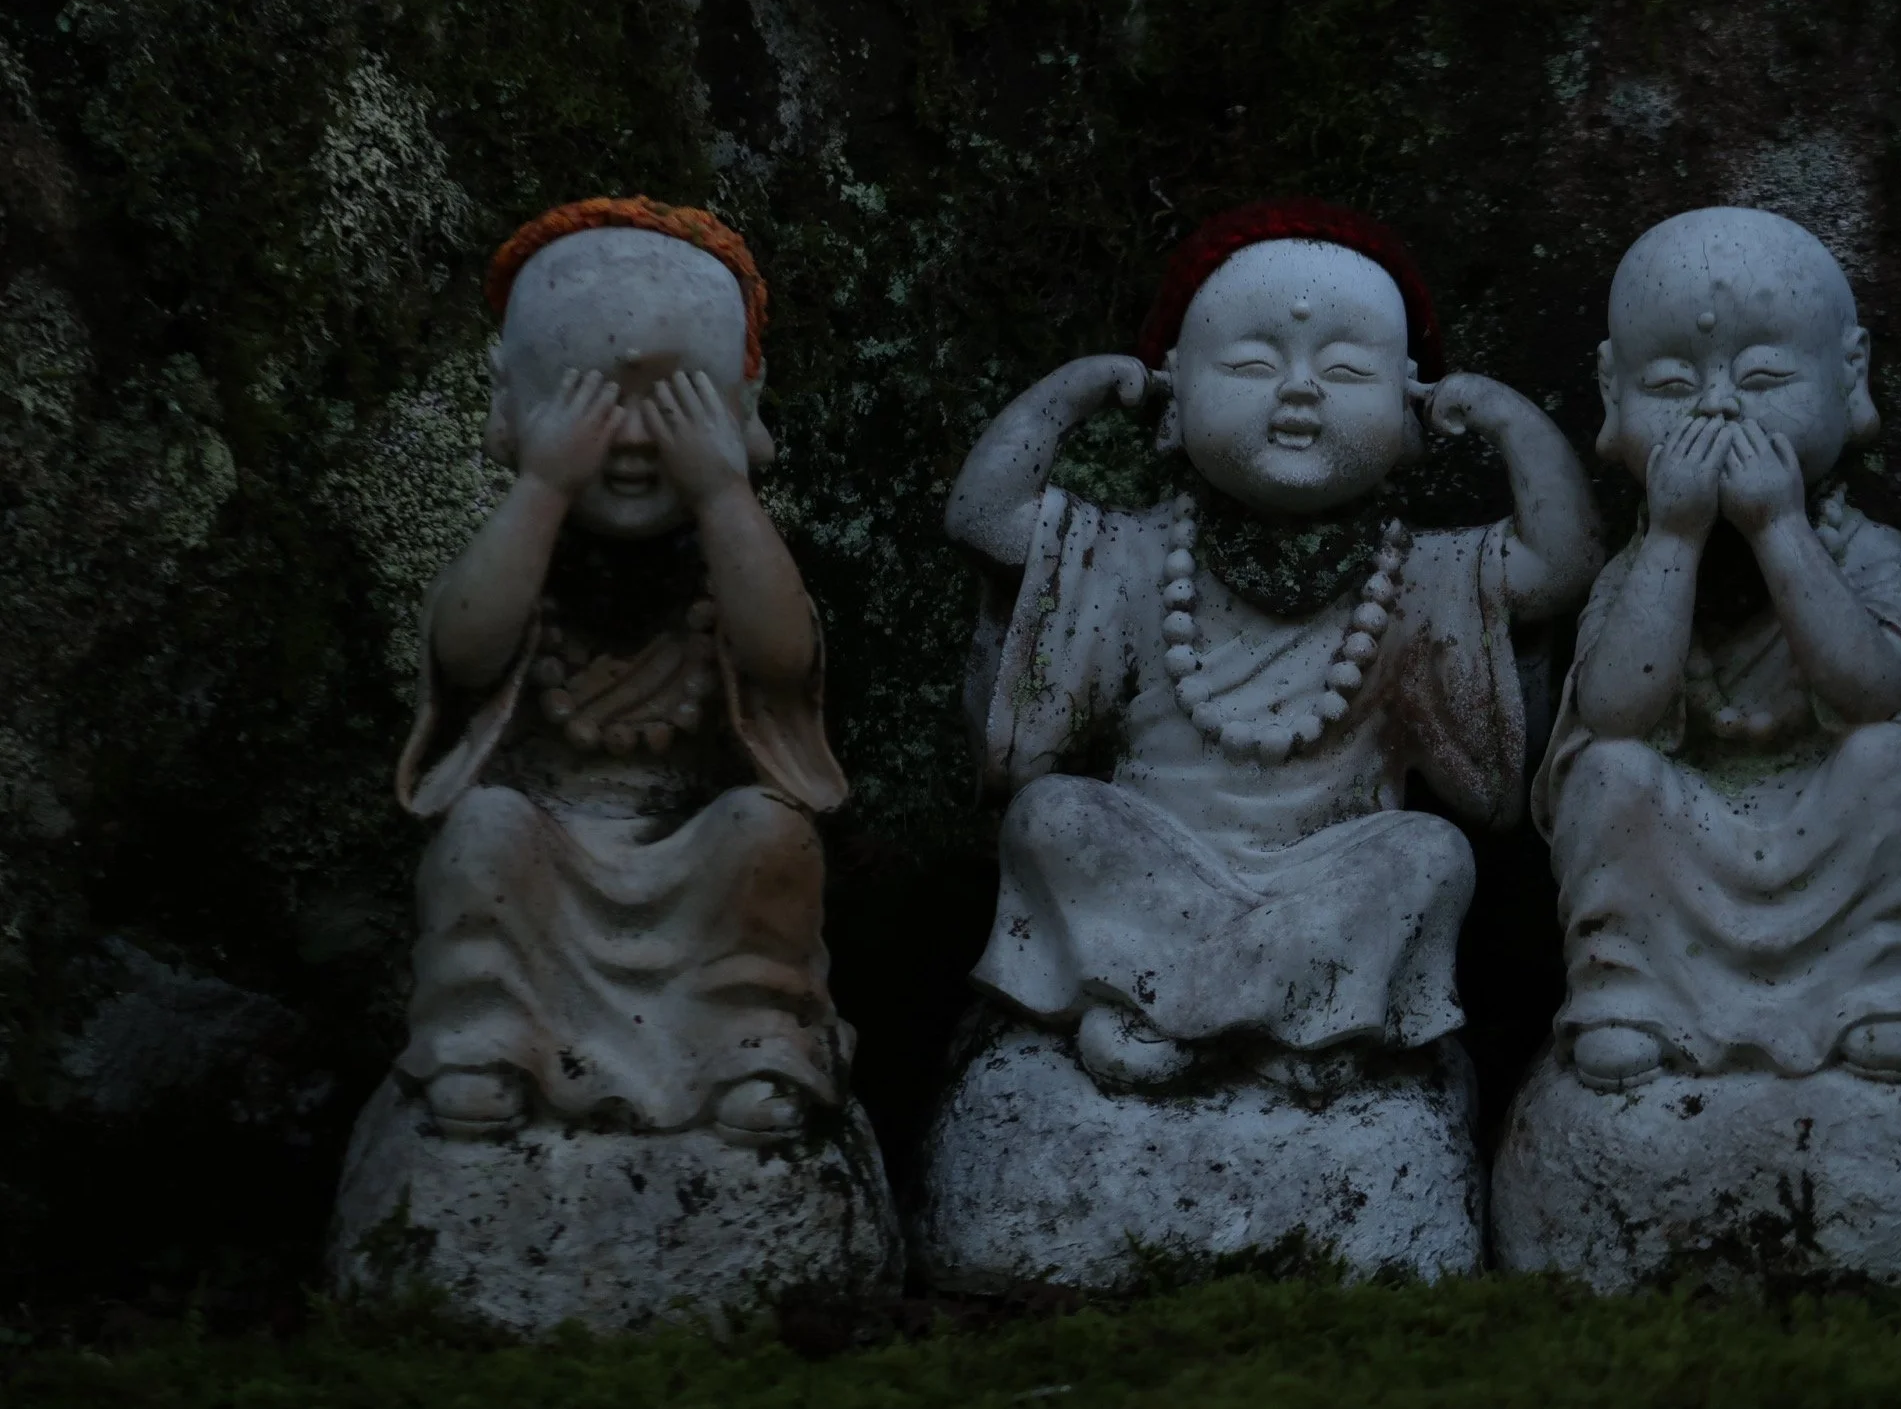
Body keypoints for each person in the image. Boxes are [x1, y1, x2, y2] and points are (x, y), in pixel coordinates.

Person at [946, 199, 1603, 1088]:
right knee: (1051, 817)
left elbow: (1558, 569)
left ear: (1409, 408)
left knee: (1428, 854)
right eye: (1254, 363)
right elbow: (986, 521)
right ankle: (1287, 1020)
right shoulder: (1133, 553)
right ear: (1175, 395)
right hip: (1157, 858)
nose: (1300, 389)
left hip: (1330, 868)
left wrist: (1508, 421)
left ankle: (1197, 1015)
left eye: (1346, 369)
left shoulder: (1420, 577)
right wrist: (1074, 393)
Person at [393, 198, 849, 1141]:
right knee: (483, 833)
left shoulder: (730, 560)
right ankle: (489, 1041)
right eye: (587, 398)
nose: (634, 439)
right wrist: (543, 484)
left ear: (743, 409)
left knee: (771, 837)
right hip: (548, 840)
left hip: (693, 843)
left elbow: (783, 657)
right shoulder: (523, 557)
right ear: (510, 403)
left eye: (676, 404)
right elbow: (466, 651)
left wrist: (721, 490)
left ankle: (749, 1046)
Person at [1534, 206, 1901, 1092]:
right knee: (1608, 773)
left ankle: (1884, 984)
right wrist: (1674, 538)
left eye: (1764, 377)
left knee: (1894, 756)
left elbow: (1874, 692)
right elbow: (1616, 710)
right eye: (1671, 384)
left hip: (1828, 822)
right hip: (1685, 838)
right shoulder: (1634, 570)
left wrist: (1781, 527)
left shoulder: (1865, 554)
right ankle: (1632, 995)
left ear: (1850, 378)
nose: (1718, 405)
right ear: (1612, 396)